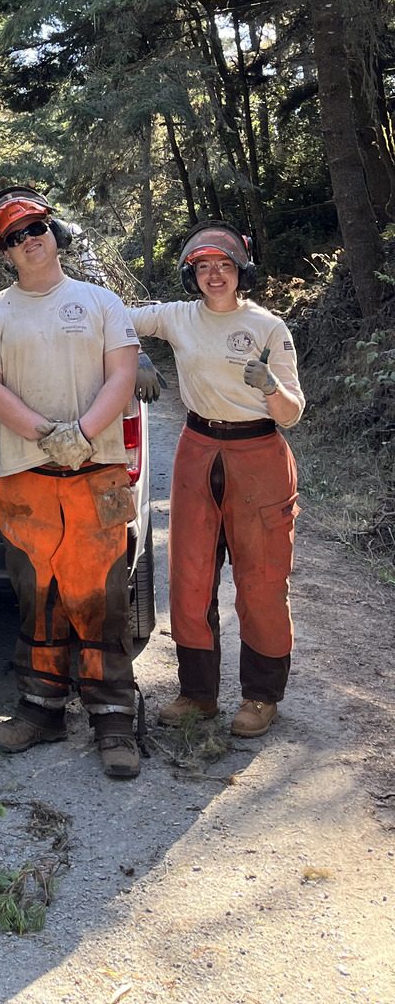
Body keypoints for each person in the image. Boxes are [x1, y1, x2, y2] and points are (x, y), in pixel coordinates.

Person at [0, 188, 143, 780]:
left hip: (98, 473)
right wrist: (46, 434)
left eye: (36, 226)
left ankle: (113, 720)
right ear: (4, 251)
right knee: (37, 598)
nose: (28, 239)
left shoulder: (100, 302)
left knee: (103, 599)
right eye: (14, 235)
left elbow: (122, 374)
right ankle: (40, 712)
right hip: (29, 477)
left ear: (54, 231)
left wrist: (83, 434)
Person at [127, 222, 303, 738]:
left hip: (260, 454)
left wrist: (271, 387)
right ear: (191, 275)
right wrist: (136, 353)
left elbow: (292, 413)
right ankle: (197, 694)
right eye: (203, 267)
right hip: (198, 451)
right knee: (190, 575)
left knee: (263, 580)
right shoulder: (177, 318)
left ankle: (261, 696)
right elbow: (110, 316)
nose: (213, 275)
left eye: (223, 266)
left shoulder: (269, 327)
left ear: (240, 271)